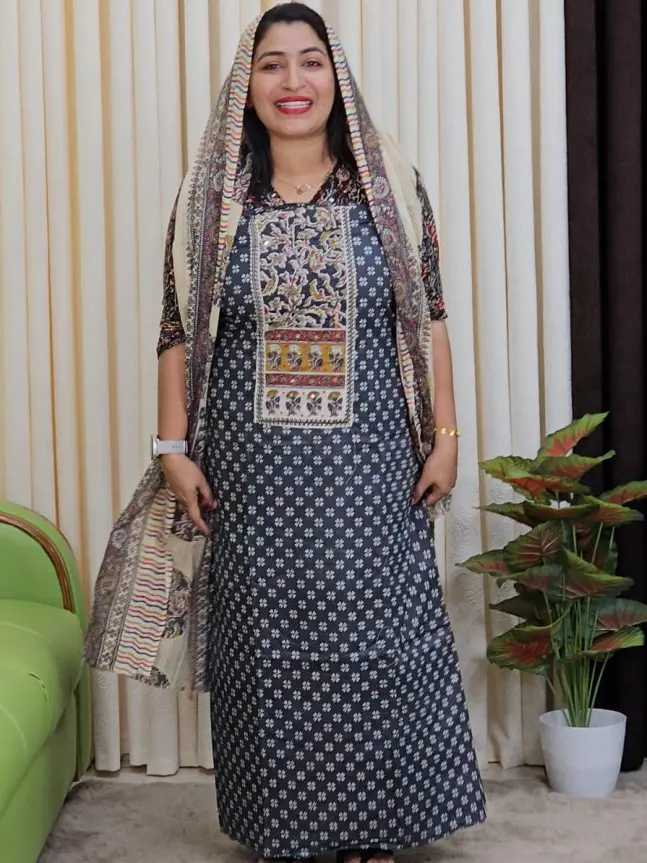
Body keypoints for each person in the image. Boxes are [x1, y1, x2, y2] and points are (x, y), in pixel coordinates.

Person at [85, 4, 486, 862]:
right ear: (248, 84)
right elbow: (176, 330)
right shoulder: (213, 201)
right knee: (268, 649)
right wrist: (171, 449)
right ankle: (285, 829)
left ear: (336, 77)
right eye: (272, 64)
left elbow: (430, 318)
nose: (292, 81)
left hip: (372, 464)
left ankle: (377, 827)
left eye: (310, 61)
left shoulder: (390, 188)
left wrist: (446, 433)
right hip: (251, 471)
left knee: (375, 640)